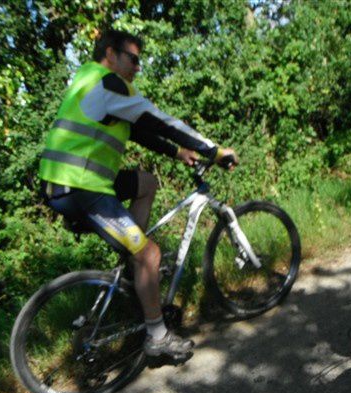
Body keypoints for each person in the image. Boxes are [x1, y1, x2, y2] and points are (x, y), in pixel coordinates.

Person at [38, 29, 238, 358]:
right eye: (133, 59)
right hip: (79, 187)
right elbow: (161, 121)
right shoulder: (108, 83)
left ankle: (136, 269)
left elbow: (140, 131)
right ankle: (157, 336)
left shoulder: (89, 81)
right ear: (110, 54)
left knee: (146, 182)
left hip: (73, 181)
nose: (137, 67)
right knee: (149, 255)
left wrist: (178, 153)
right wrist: (214, 151)